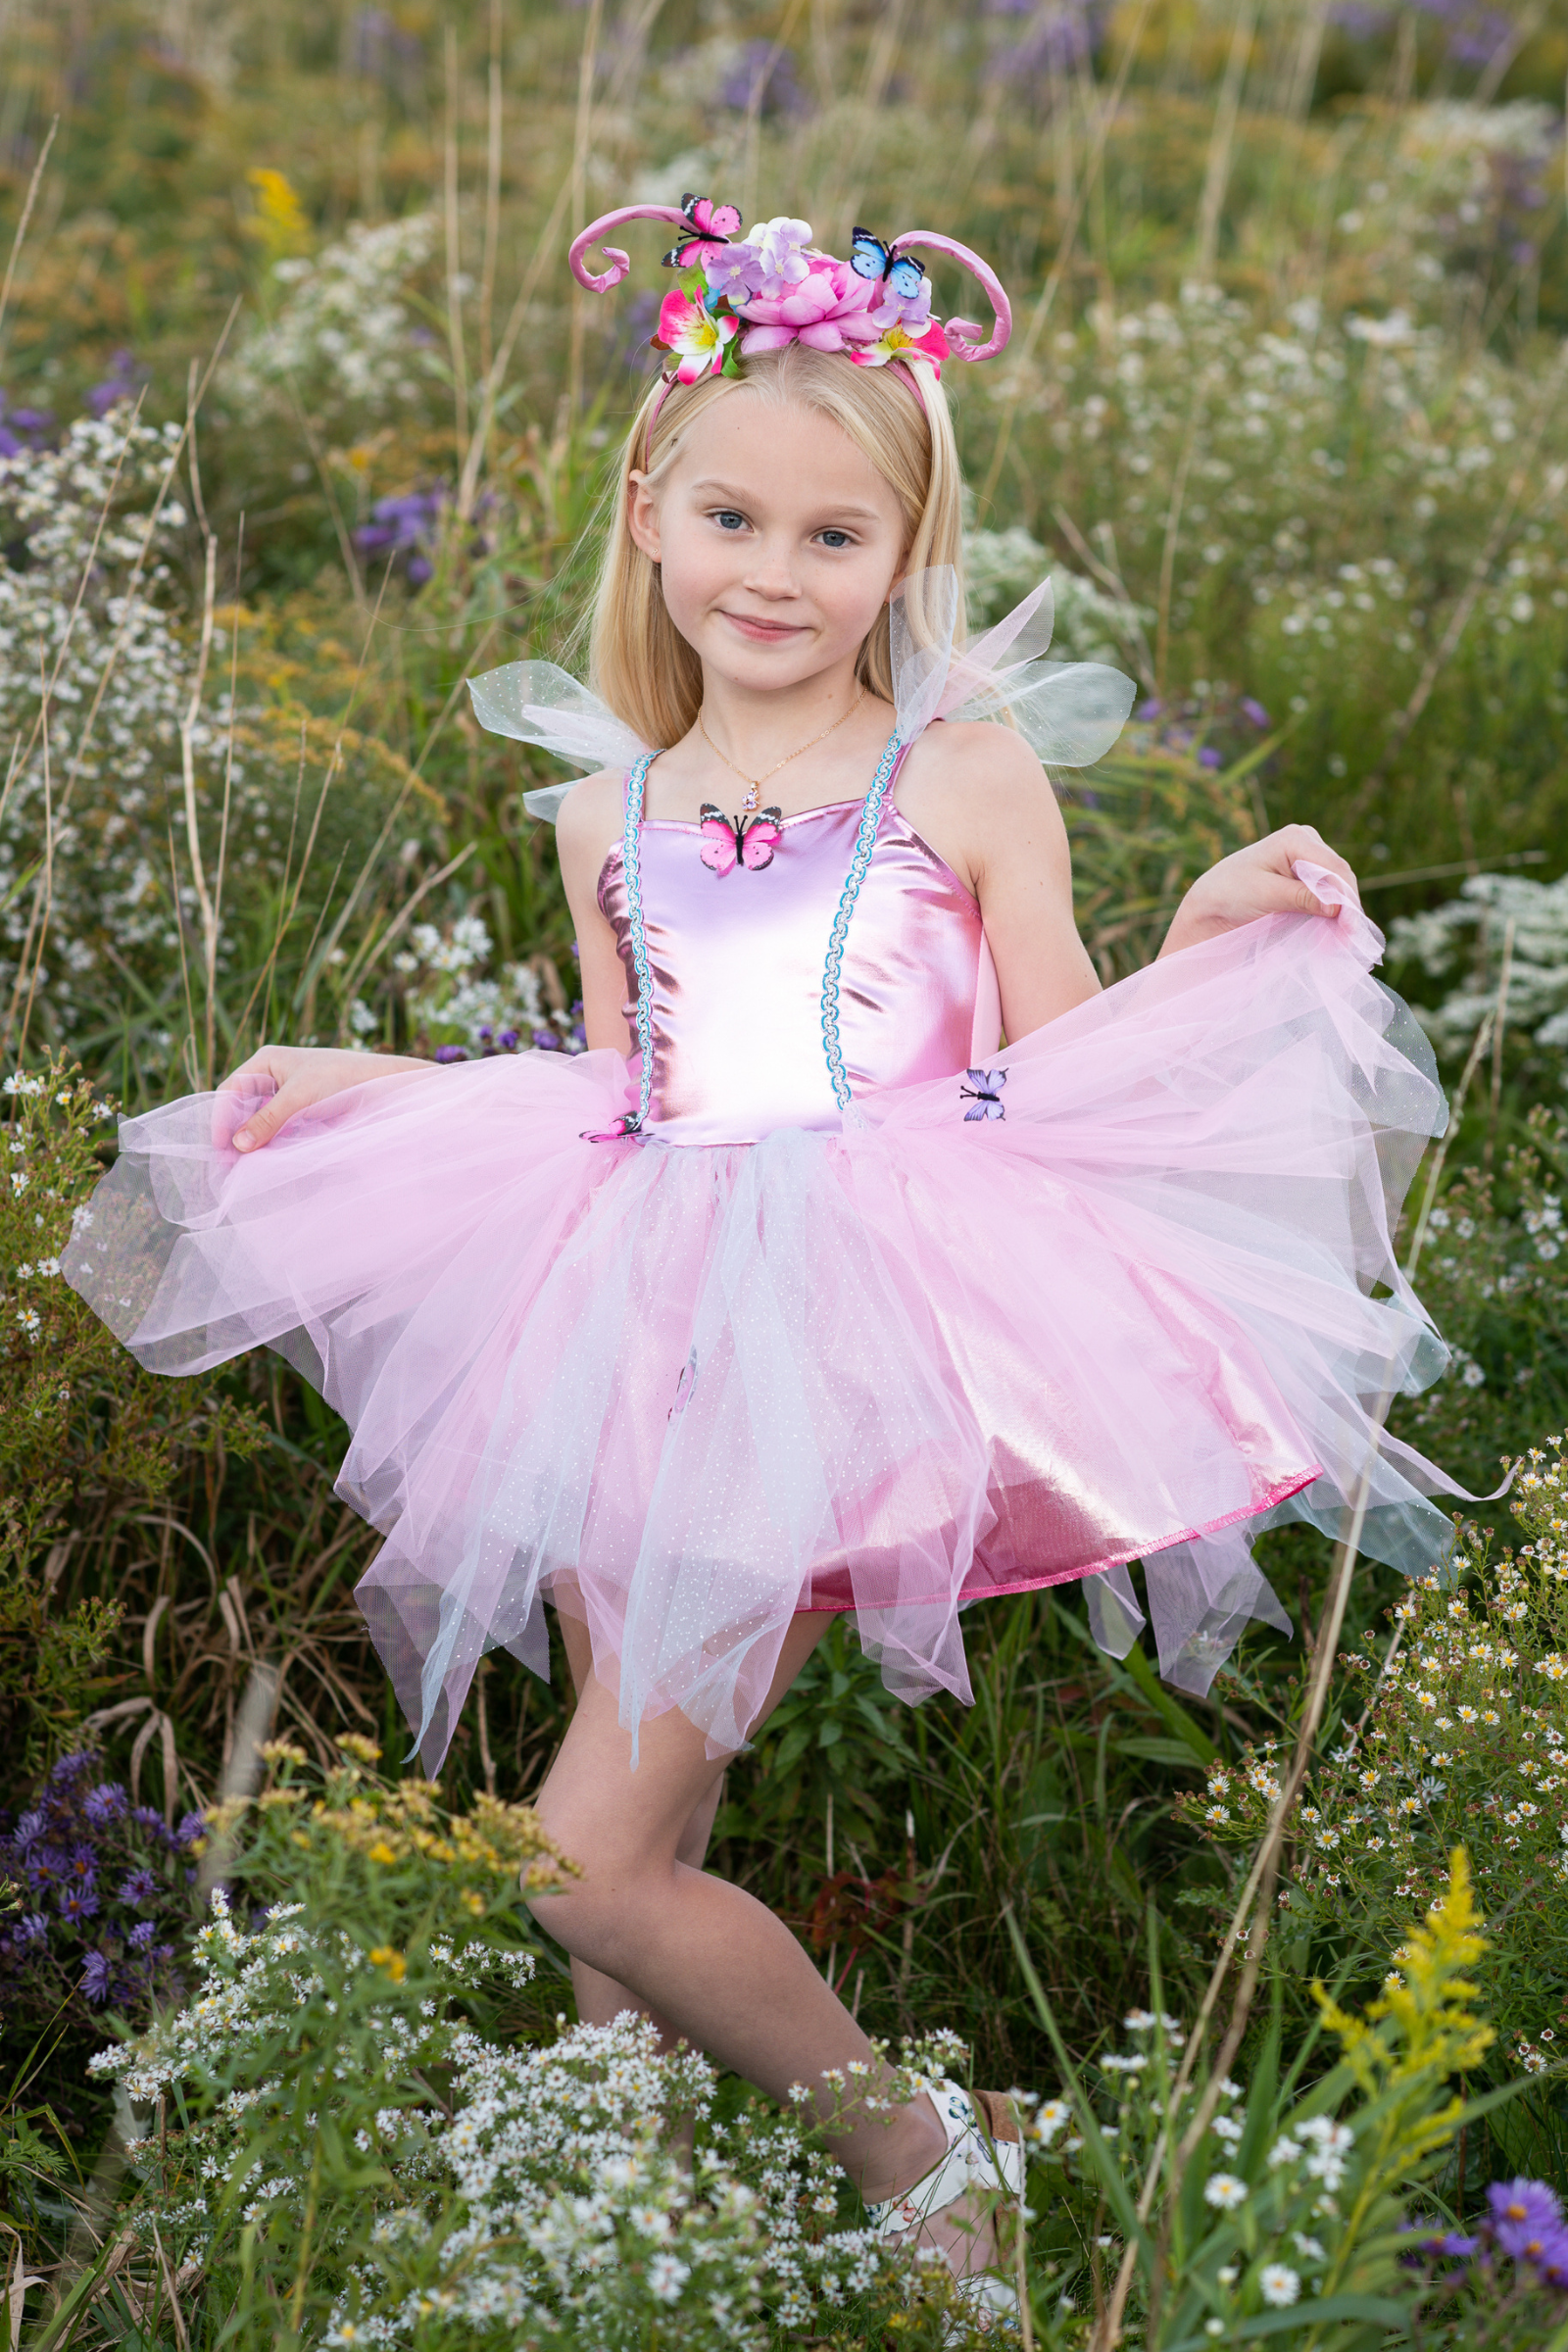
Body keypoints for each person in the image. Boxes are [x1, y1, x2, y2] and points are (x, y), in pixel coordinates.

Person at [63, 202, 1459, 2322]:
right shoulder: (597, 815)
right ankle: (604, 2216)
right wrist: (363, 1077)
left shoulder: (962, 774)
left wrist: (1199, 940)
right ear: (646, 512)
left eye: (831, 537)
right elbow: (626, 1085)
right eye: (731, 516)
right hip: (620, 1308)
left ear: (903, 555)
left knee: (578, 1860)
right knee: (647, 1824)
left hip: (854, 1328)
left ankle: (918, 2146)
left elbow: (1058, 1058)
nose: (772, 574)